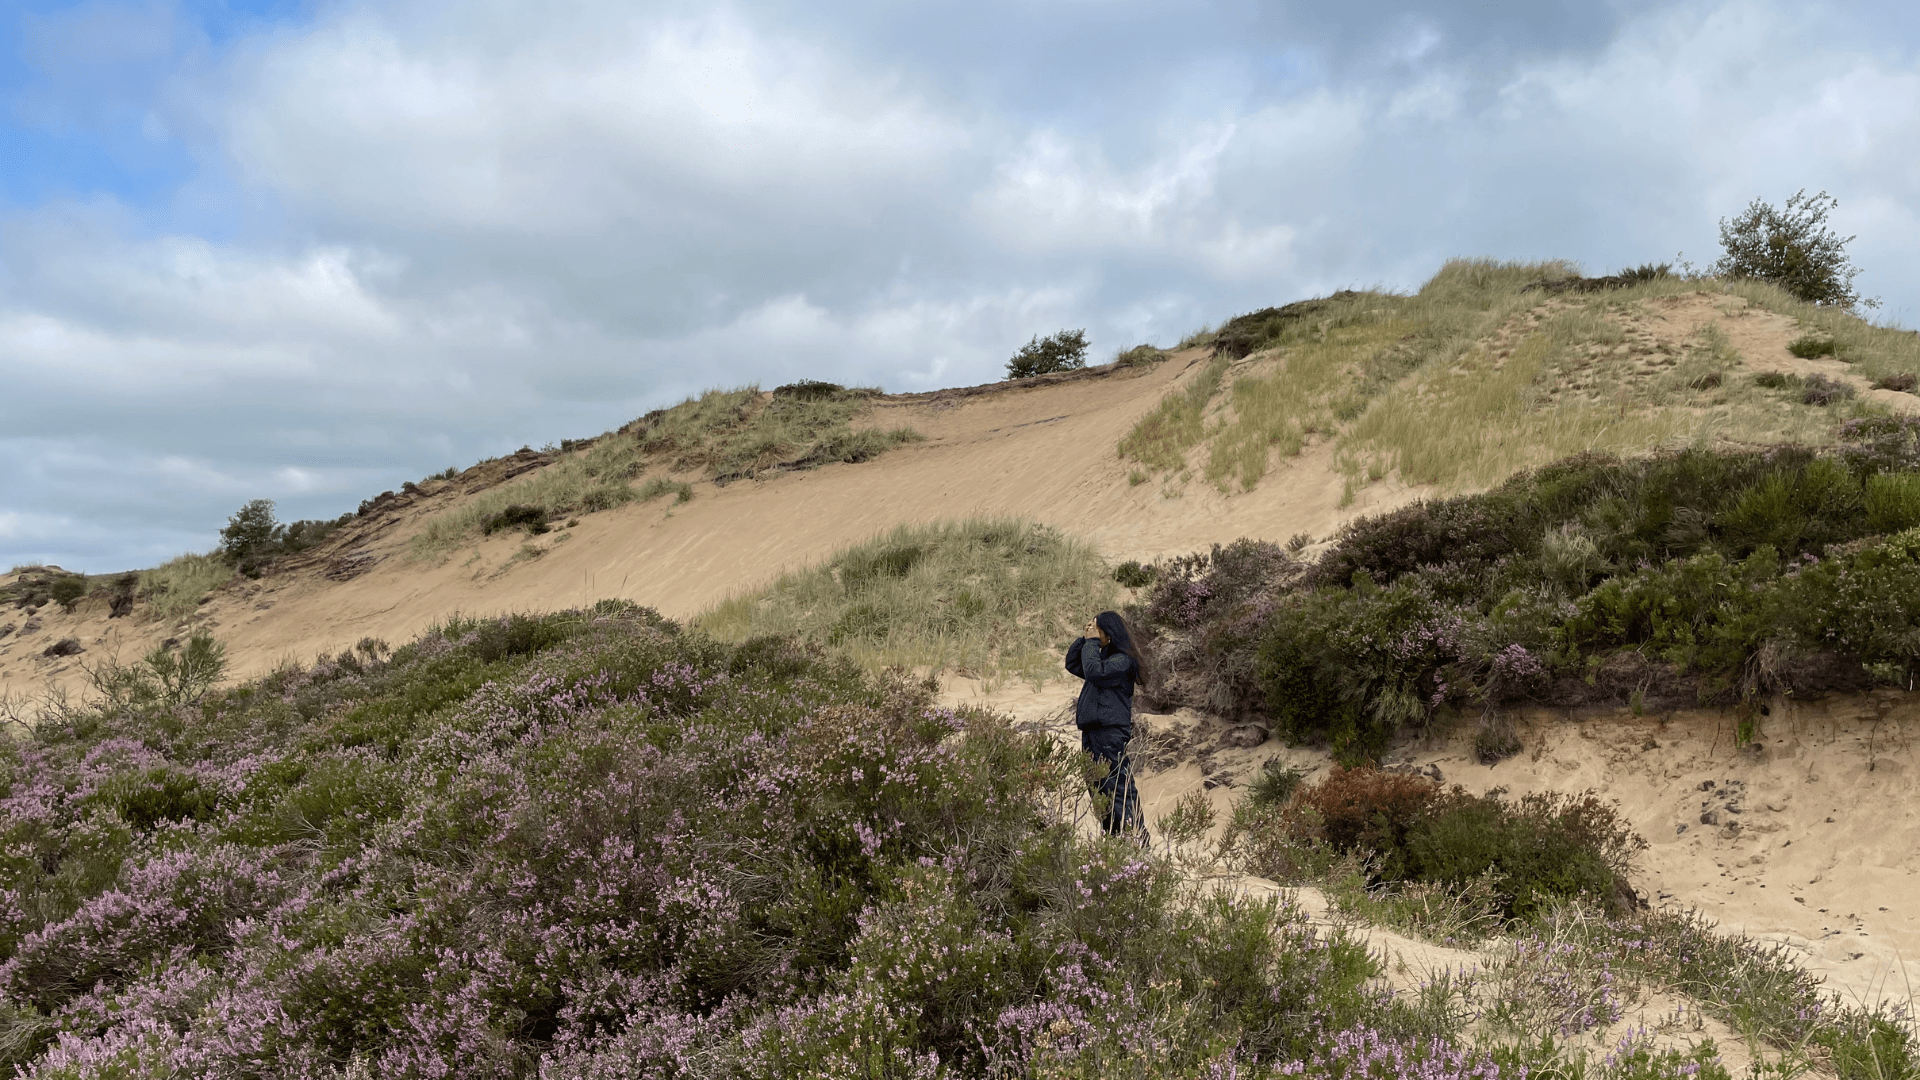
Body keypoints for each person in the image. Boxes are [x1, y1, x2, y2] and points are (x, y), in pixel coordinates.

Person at [1065, 610, 1150, 839]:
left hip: (1110, 733)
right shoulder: (1103, 658)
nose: (1094, 633)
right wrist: (1085, 639)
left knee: (1118, 788)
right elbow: (1073, 664)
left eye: (1097, 629)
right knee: (1098, 789)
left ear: (1109, 634)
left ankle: (1136, 839)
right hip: (1094, 732)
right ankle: (1114, 838)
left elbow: (1093, 671)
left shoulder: (1122, 662)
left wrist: (1092, 642)